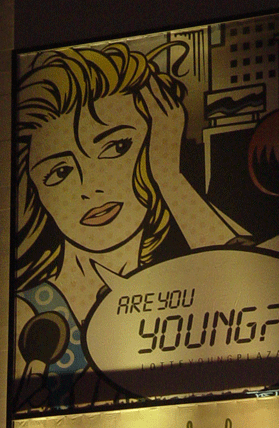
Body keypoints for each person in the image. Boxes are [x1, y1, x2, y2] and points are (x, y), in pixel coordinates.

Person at [13, 41, 251, 412]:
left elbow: (252, 287)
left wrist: (170, 176)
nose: (90, 186)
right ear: (36, 193)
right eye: (59, 172)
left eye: (116, 147)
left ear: (158, 141)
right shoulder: (32, 320)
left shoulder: (179, 288)